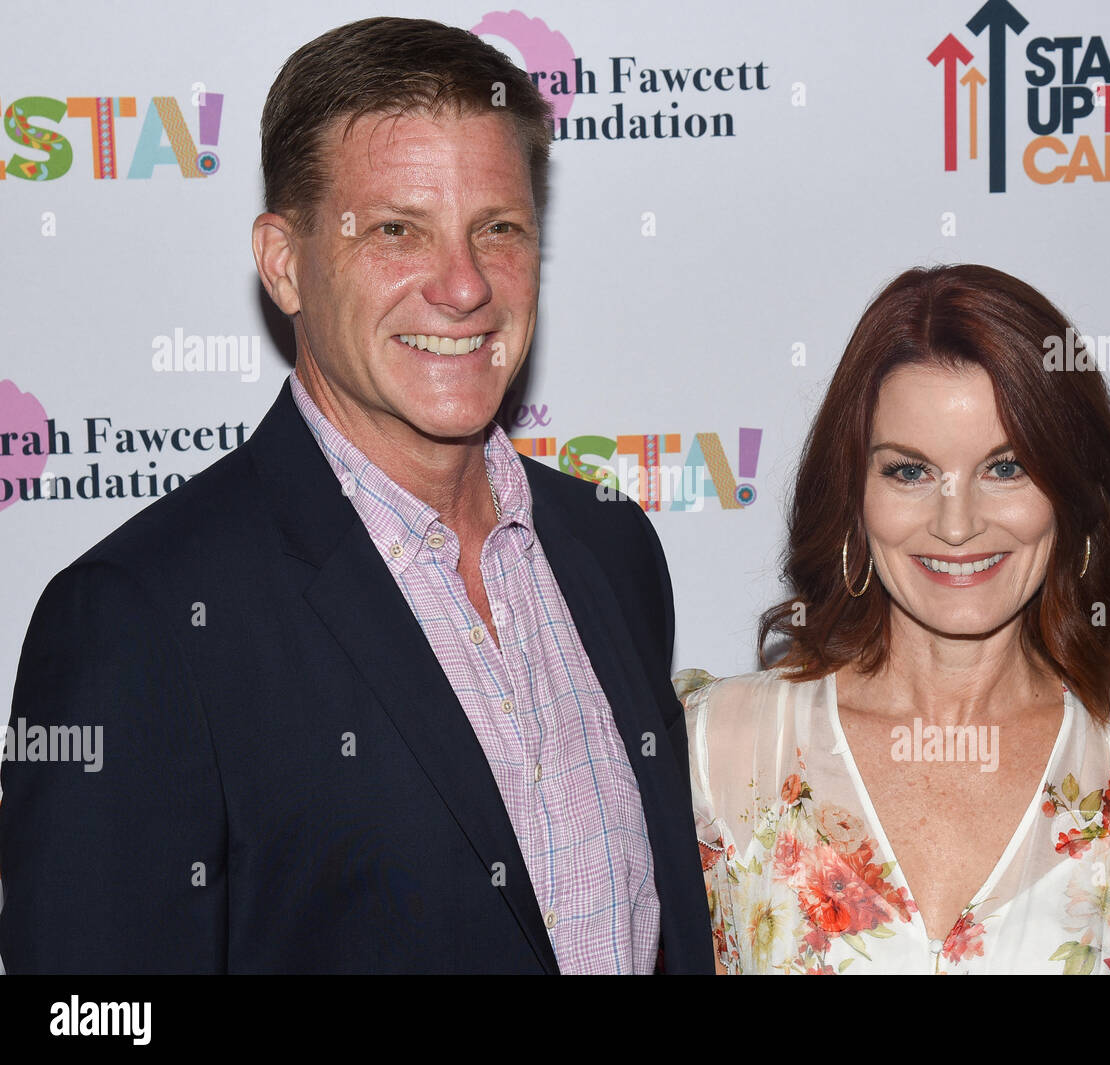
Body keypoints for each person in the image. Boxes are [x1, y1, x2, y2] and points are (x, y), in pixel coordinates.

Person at [0, 16, 713, 974]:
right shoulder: (140, 618)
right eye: (395, 231)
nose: (463, 287)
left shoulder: (611, 549)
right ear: (284, 262)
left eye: (497, 229)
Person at [681, 264, 1110, 974]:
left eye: (1005, 468)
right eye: (909, 471)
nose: (957, 523)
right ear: (854, 494)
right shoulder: (714, 751)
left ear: (1070, 493)